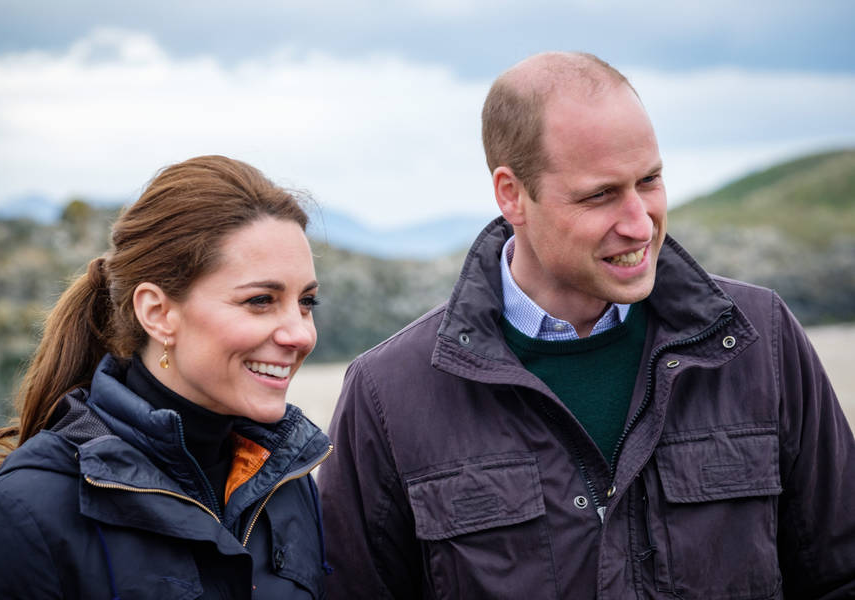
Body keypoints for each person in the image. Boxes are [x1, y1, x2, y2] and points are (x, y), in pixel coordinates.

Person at [317, 52, 855, 598]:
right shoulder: (387, 393)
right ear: (511, 194)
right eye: (600, 194)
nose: (639, 223)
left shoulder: (759, 337)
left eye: (649, 180)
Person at [0, 155, 332, 598]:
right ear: (157, 313)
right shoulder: (20, 520)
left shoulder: (286, 483)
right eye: (261, 300)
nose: (300, 334)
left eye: (307, 302)